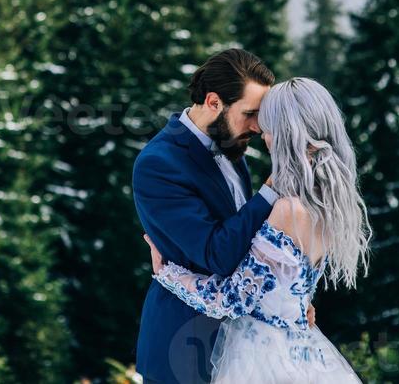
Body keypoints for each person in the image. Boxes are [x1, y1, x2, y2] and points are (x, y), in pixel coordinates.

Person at [145, 77, 371, 383]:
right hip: (303, 351)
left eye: (266, 125)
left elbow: (232, 299)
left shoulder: (288, 210)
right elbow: (289, 284)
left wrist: (167, 272)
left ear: (285, 132)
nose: (260, 134)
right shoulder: (329, 205)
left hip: (261, 358)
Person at [133, 48, 315, 384]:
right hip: (185, 350)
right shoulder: (158, 164)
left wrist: (290, 297)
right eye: (250, 114)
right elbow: (219, 255)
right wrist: (273, 188)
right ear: (214, 102)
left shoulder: (231, 147)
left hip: (245, 347)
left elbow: (254, 243)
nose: (259, 127)